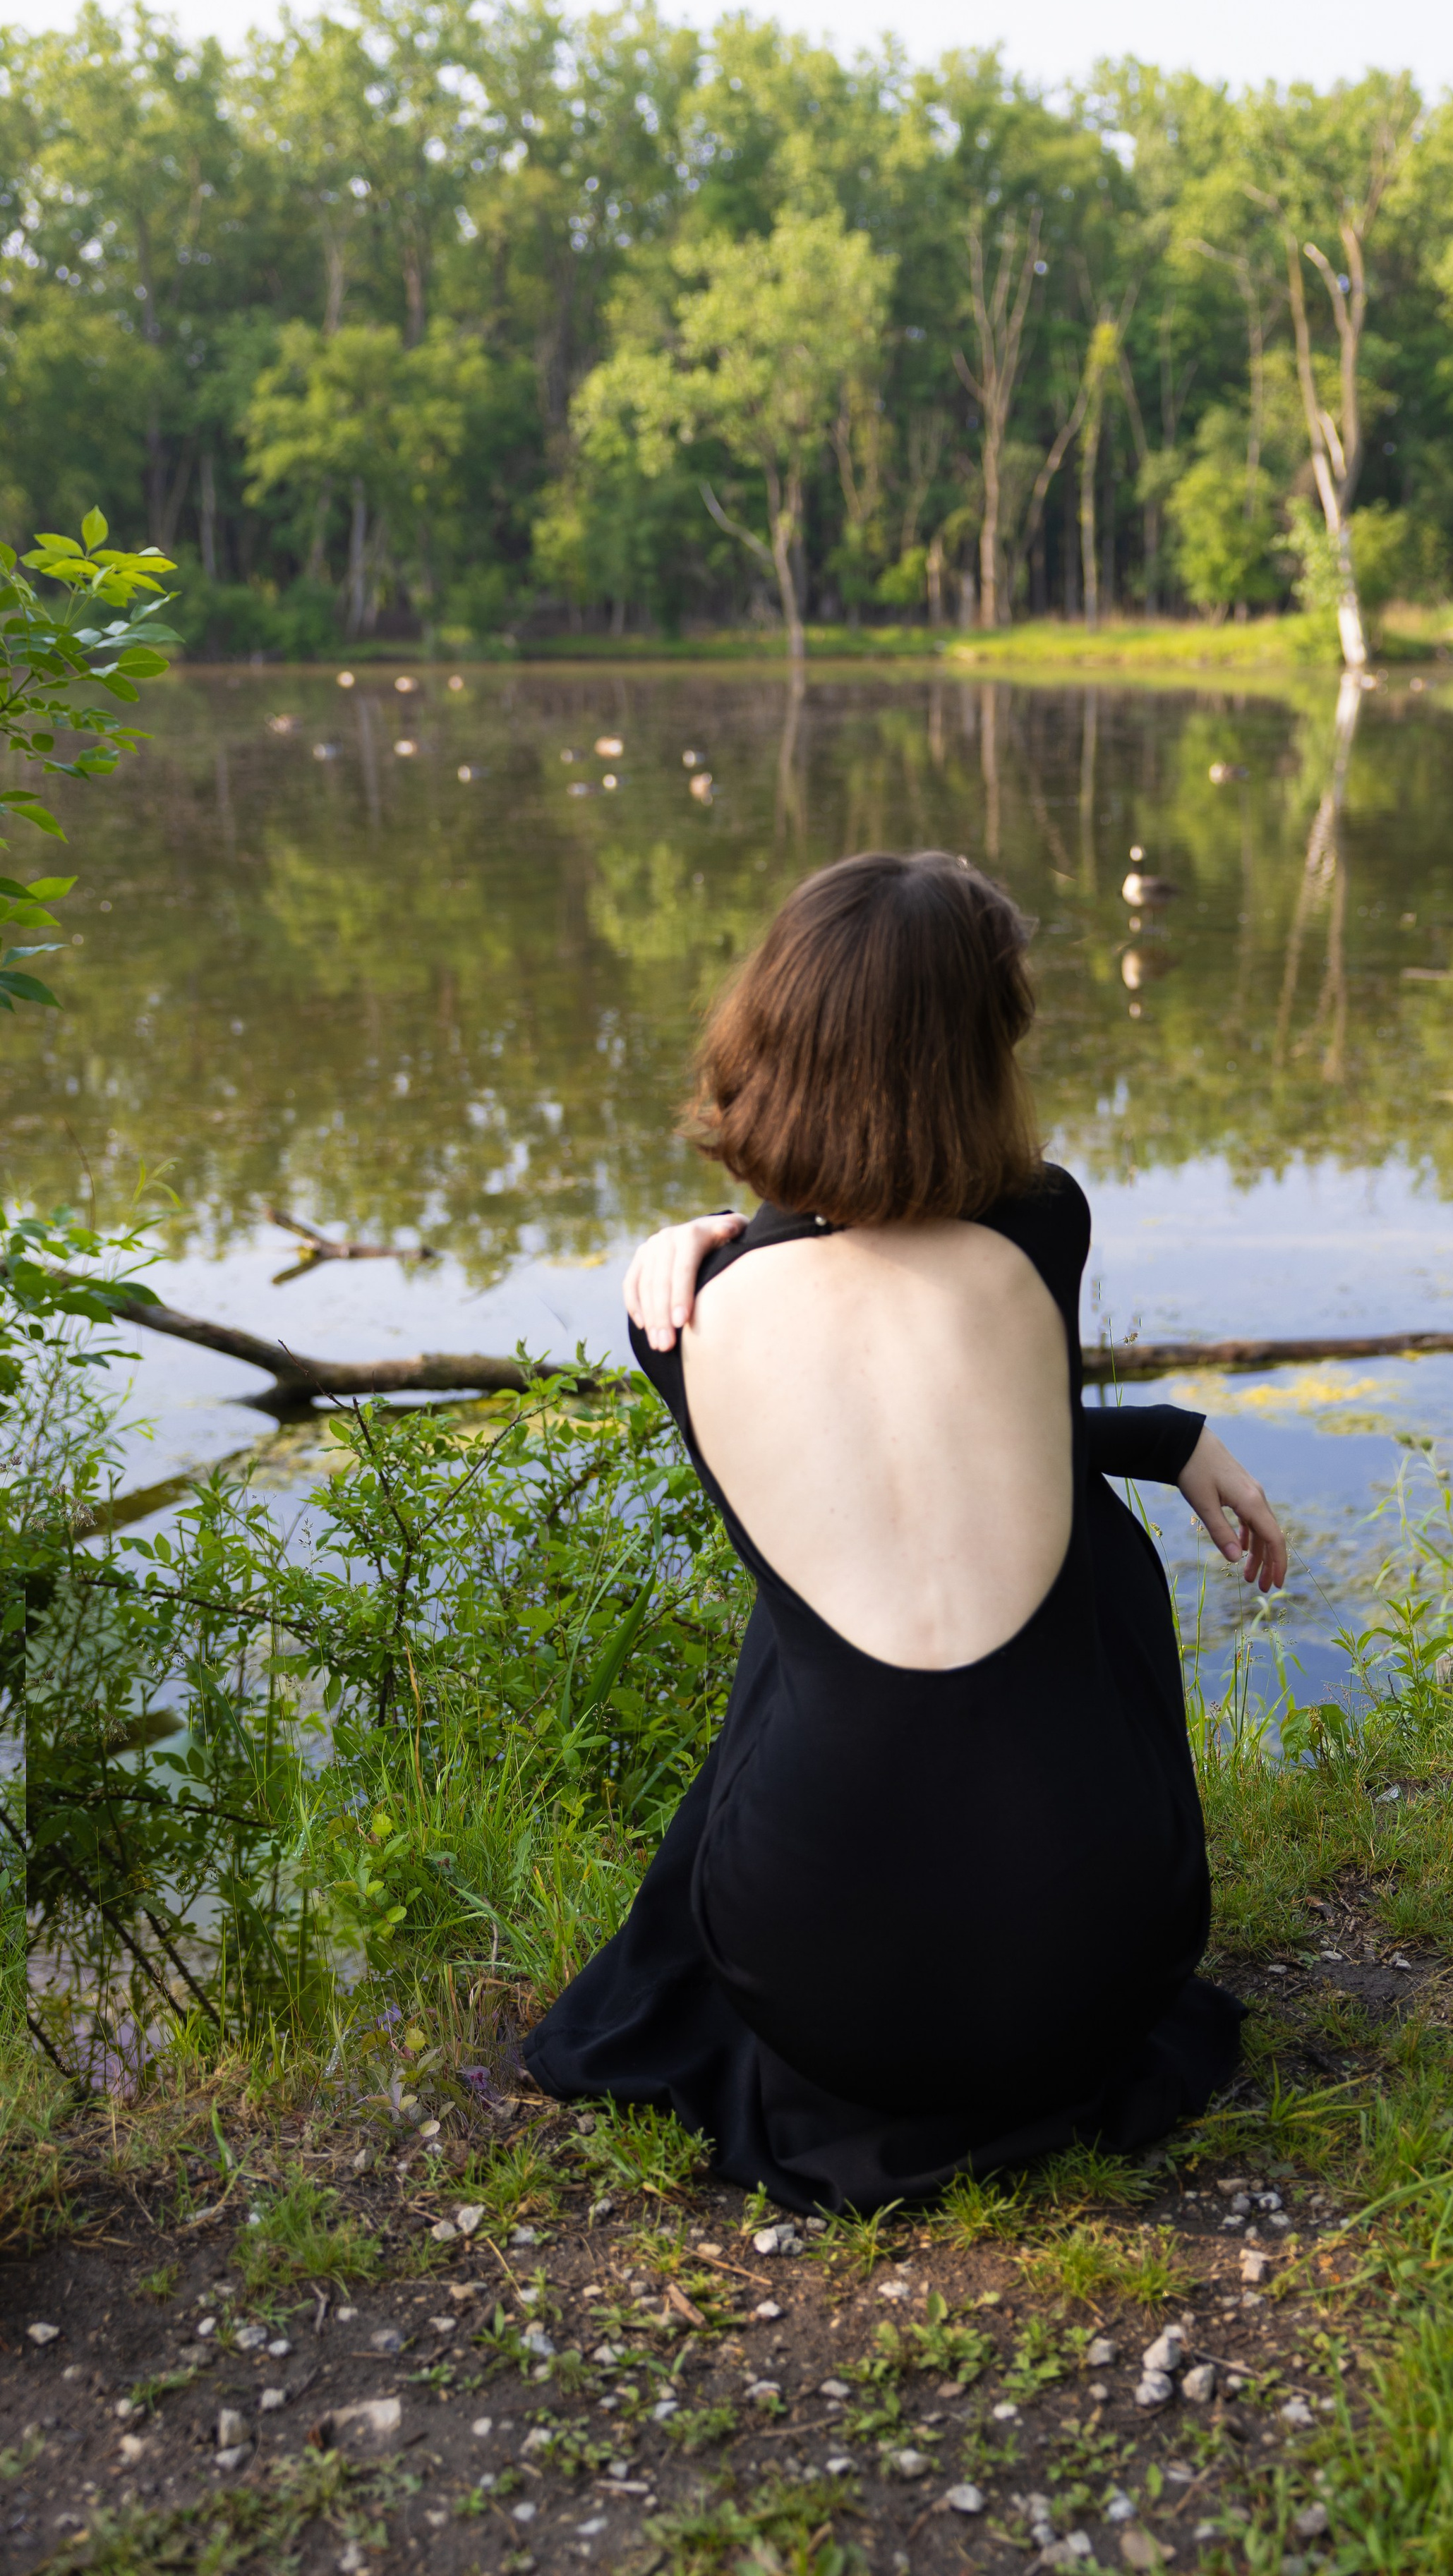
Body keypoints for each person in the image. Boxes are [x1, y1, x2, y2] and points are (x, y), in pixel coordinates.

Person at [523, 850, 1286, 2213]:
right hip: (1098, 1959)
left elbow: (919, 1437)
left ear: (767, 1035)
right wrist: (1166, 1441)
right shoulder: (1047, 1227)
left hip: (817, 1985)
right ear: (983, 1057)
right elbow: (1001, 1434)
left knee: (812, 1600)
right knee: (1086, 1547)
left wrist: (714, 1226)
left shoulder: (680, 1322)